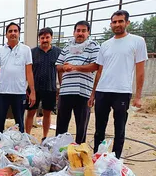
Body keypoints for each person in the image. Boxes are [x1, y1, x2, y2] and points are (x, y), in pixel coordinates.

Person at [89, 10, 147, 158]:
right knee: (99, 129)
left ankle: (115, 161)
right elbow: (100, 71)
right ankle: (97, 157)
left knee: (119, 129)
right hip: (103, 91)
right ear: (111, 24)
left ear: (127, 22)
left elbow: (140, 71)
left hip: (122, 91)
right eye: (114, 22)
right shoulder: (105, 45)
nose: (117, 24)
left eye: (121, 21)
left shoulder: (137, 41)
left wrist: (138, 96)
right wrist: (93, 94)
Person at [55, 21, 100, 144]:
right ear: (74, 32)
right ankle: (59, 151)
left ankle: (80, 150)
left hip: (84, 92)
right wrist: (64, 68)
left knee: (81, 125)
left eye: (83, 31)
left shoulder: (94, 46)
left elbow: (95, 66)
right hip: (66, 91)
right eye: (78, 30)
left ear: (88, 33)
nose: (80, 33)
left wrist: (75, 67)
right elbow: (58, 66)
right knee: (61, 124)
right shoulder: (66, 47)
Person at [0, 22, 36, 133]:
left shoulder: (26, 50)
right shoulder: (0, 51)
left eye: (15, 31)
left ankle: (19, 145)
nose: (13, 33)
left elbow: (29, 72)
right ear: (6, 35)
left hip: (19, 92)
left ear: (19, 33)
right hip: (2, 92)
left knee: (19, 122)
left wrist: (32, 91)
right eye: (10, 31)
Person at [25, 27, 61, 141]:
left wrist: (61, 86)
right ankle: (27, 136)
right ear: (39, 39)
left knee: (47, 113)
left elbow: (60, 71)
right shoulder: (32, 52)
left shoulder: (57, 52)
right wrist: (28, 88)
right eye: (42, 38)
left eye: (47, 37)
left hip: (50, 88)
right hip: (34, 88)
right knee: (31, 112)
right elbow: (28, 70)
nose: (45, 40)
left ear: (51, 38)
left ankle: (45, 137)